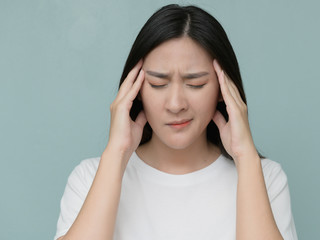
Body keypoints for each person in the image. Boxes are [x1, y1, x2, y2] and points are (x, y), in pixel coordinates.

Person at [54, 4, 298, 240]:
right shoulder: (89, 178)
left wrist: (245, 157)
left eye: (196, 84)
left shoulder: (264, 178)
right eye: (158, 84)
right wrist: (117, 153)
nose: (176, 104)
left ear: (224, 89)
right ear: (135, 88)